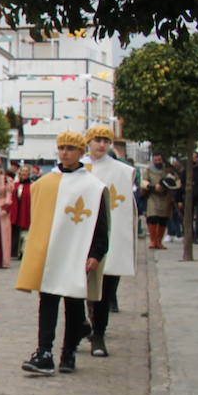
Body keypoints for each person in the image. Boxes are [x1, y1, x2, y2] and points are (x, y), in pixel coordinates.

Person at [16, 131, 109, 376]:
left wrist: (96, 253)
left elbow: (100, 225)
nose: (65, 152)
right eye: (62, 148)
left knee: (73, 304)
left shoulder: (93, 186)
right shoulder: (45, 184)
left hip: (77, 253)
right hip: (51, 252)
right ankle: (44, 351)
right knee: (47, 301)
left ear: (80, 152)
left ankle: (68, 352)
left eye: (70, 148)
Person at [82, 126, 136, 357]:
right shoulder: (80, 168)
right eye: (97, 140)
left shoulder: (123, 171)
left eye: (105, 140)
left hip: (108, 236)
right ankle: (82, 326)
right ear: (89, 141)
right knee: (79, 288)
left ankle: (99, 333)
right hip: (83, 233)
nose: (101, 144)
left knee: (104, 288)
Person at [144, 152, 174, 249]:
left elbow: (174, 180)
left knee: (163, 220)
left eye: (159, 160)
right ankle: (153, 241)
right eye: (155, 160)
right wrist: (153, 187)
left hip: (165, 198)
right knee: (152, 218)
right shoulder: (148, 170)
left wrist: (166, 185)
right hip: (153, 197)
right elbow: (143, 182)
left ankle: (159, 241)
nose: (158, 162)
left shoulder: (167, 170)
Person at [11, 163, 33, 259]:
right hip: (16, 212)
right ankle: (15, 252)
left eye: (26, 171)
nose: (24, 173)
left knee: (25, 234)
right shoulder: (14, 185)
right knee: (16, 233)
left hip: (26, 212)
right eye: (22, 171)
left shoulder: (32, 186)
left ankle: (24, 251)